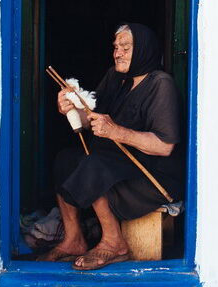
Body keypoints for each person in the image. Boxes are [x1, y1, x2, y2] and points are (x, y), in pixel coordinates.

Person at [39, 23, 183, 270]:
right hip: (117, 166)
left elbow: (164, 146)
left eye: (126, 48)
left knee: (95, 163)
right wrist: (72, 109)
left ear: (145, 50)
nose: (118, 53)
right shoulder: (116, 79)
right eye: (116, 47)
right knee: (67, 159)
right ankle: (74, 239)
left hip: (152, 177)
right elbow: (93, 120)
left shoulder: (161, 84)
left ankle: (114, 243)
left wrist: (116, 131)